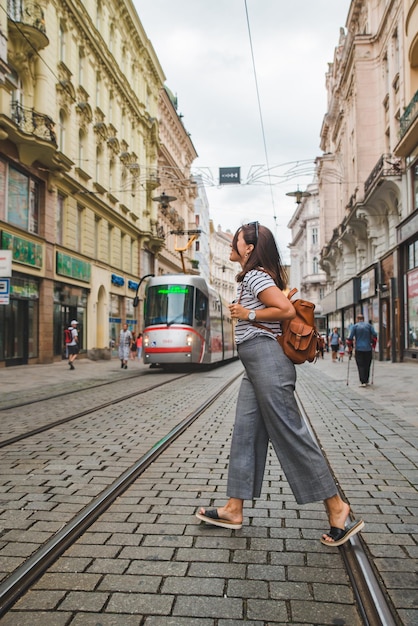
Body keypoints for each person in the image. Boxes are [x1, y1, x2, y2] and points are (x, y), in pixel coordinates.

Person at [196, 222, 364, 547]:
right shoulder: (253, 277)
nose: (232, 245)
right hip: (255, 364)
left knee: (289, 431)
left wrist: (247, 314)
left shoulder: (256, 275)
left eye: (235, 241)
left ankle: (337, 507)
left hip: (268, 361)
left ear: (248, 247)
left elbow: (285, 310)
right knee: (245, 433)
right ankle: (234, 508)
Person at [346, 314, 378, 387]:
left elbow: (350, 337)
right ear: (363, 319)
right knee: (367, 364)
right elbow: (375, 334)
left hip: (359, 348)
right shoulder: (369, 326)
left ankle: (362, 381)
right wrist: (372, 343)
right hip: (368, 348)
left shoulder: (355, 326)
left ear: (357, 319)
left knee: (360, 365)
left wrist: (350, 347)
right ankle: (366, 380)